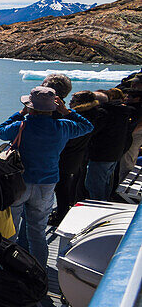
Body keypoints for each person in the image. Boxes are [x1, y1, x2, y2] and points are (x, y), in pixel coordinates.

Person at [0, 86, 93, 270]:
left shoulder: (20, 126)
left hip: (19, 182)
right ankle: (39, 272)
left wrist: (19, 114)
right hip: (47, 183)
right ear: (53, 107)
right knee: (38, 233)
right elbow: (87, 127)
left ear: (30, 107)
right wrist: (67, 111)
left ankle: (10, 269)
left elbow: (0, 131)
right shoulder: (63, 126)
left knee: (12, 231)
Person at [52, 92, 97, 223]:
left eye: (74, 100)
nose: (70, 103)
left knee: (62, 189)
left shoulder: (78, 116)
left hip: (66, 157)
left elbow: (71, 139)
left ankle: (61, 216)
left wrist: (66, 113)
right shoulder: (90, 114)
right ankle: (62, 213)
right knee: (65, 187)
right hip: (76, 156)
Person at [88, 89, 131, 199]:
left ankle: (98, 207)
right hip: (115, 153)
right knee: (104, 182)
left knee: (95, 185)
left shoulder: (104, 114)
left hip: (101, 154)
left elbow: (92, 131)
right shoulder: (120, 113)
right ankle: (104, 201)